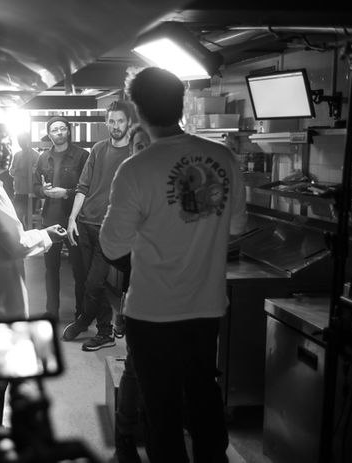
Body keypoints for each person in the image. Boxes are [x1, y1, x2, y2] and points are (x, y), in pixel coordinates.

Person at [100, 67, 247, 463]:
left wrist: (150, 254)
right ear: (181, 103)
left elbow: (111, 244)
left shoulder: (135, 169)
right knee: (203, 395)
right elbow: (236, 227)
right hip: (205, 307)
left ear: (137, 109)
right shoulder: (223, 157)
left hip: (152, 312)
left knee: (161, 408)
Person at [0, 123, 67, 430]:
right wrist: (45, 235)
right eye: (0, 147)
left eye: (8, 145)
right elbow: (15, 243)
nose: (7, 152)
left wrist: (41, 233)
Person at [61, 100, 134, 351]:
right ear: (106, 123)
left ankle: (84, 320)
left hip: (109, 229)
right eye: (111, 121)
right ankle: (104, 331)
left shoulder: (135, 153)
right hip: (84, 224)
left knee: (94, 283)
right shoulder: (98, 149)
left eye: (120, 121)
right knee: (85, 281)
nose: (116, 126)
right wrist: (72, 219)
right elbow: (83, 187)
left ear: (129, 122)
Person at [110, 123, 150, 463]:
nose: (144, 149)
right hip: (142, 293)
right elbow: (113, 245)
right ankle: (125, 437)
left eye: (149, 143)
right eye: (138, 144)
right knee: (136, 368)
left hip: (180, 298)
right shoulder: (129, 184)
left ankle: (157, 431)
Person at [32, 116, 89, 321]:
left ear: (68, 131)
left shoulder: (82, 156)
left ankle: (81, 314)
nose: (59, 132)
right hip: (50, 220)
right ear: (49, 134)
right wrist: (44, 191)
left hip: (74, 220)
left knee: (79, 270)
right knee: (51, 269)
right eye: (55, 130)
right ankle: (51, 311)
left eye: (62, 128)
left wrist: (66, 192)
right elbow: (35, 186)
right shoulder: (43, 158)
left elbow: (87, 188)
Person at [9, 132, 40, 229]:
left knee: (29, 219)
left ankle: (30, 235)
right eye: (19, 140)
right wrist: (17, 171)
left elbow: (35, 172)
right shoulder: (17, 155)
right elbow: (11, 171)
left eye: (23, 140)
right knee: (16, 217)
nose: (21, 143)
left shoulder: (35, 155)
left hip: (30, 193)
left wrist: (21, 171)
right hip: (18, 192)